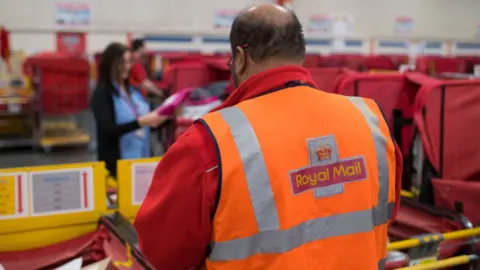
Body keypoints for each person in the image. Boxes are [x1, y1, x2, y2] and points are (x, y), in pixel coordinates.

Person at [135, 4, 402, 270]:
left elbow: (162, 253)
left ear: (240, 58)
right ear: (300, 55)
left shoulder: (209, 142)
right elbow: (385, 216)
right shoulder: (370, 121)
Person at [91, 42, 168, 177]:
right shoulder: (102, 94)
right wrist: (140, 123)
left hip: (140, 160)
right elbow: (107, 129)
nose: (127, 67)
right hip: (118, 166)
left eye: (129, 62)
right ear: (111, 65)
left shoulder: (132, 91)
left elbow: (143, 122)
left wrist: (164, 118)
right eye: (122, 63)